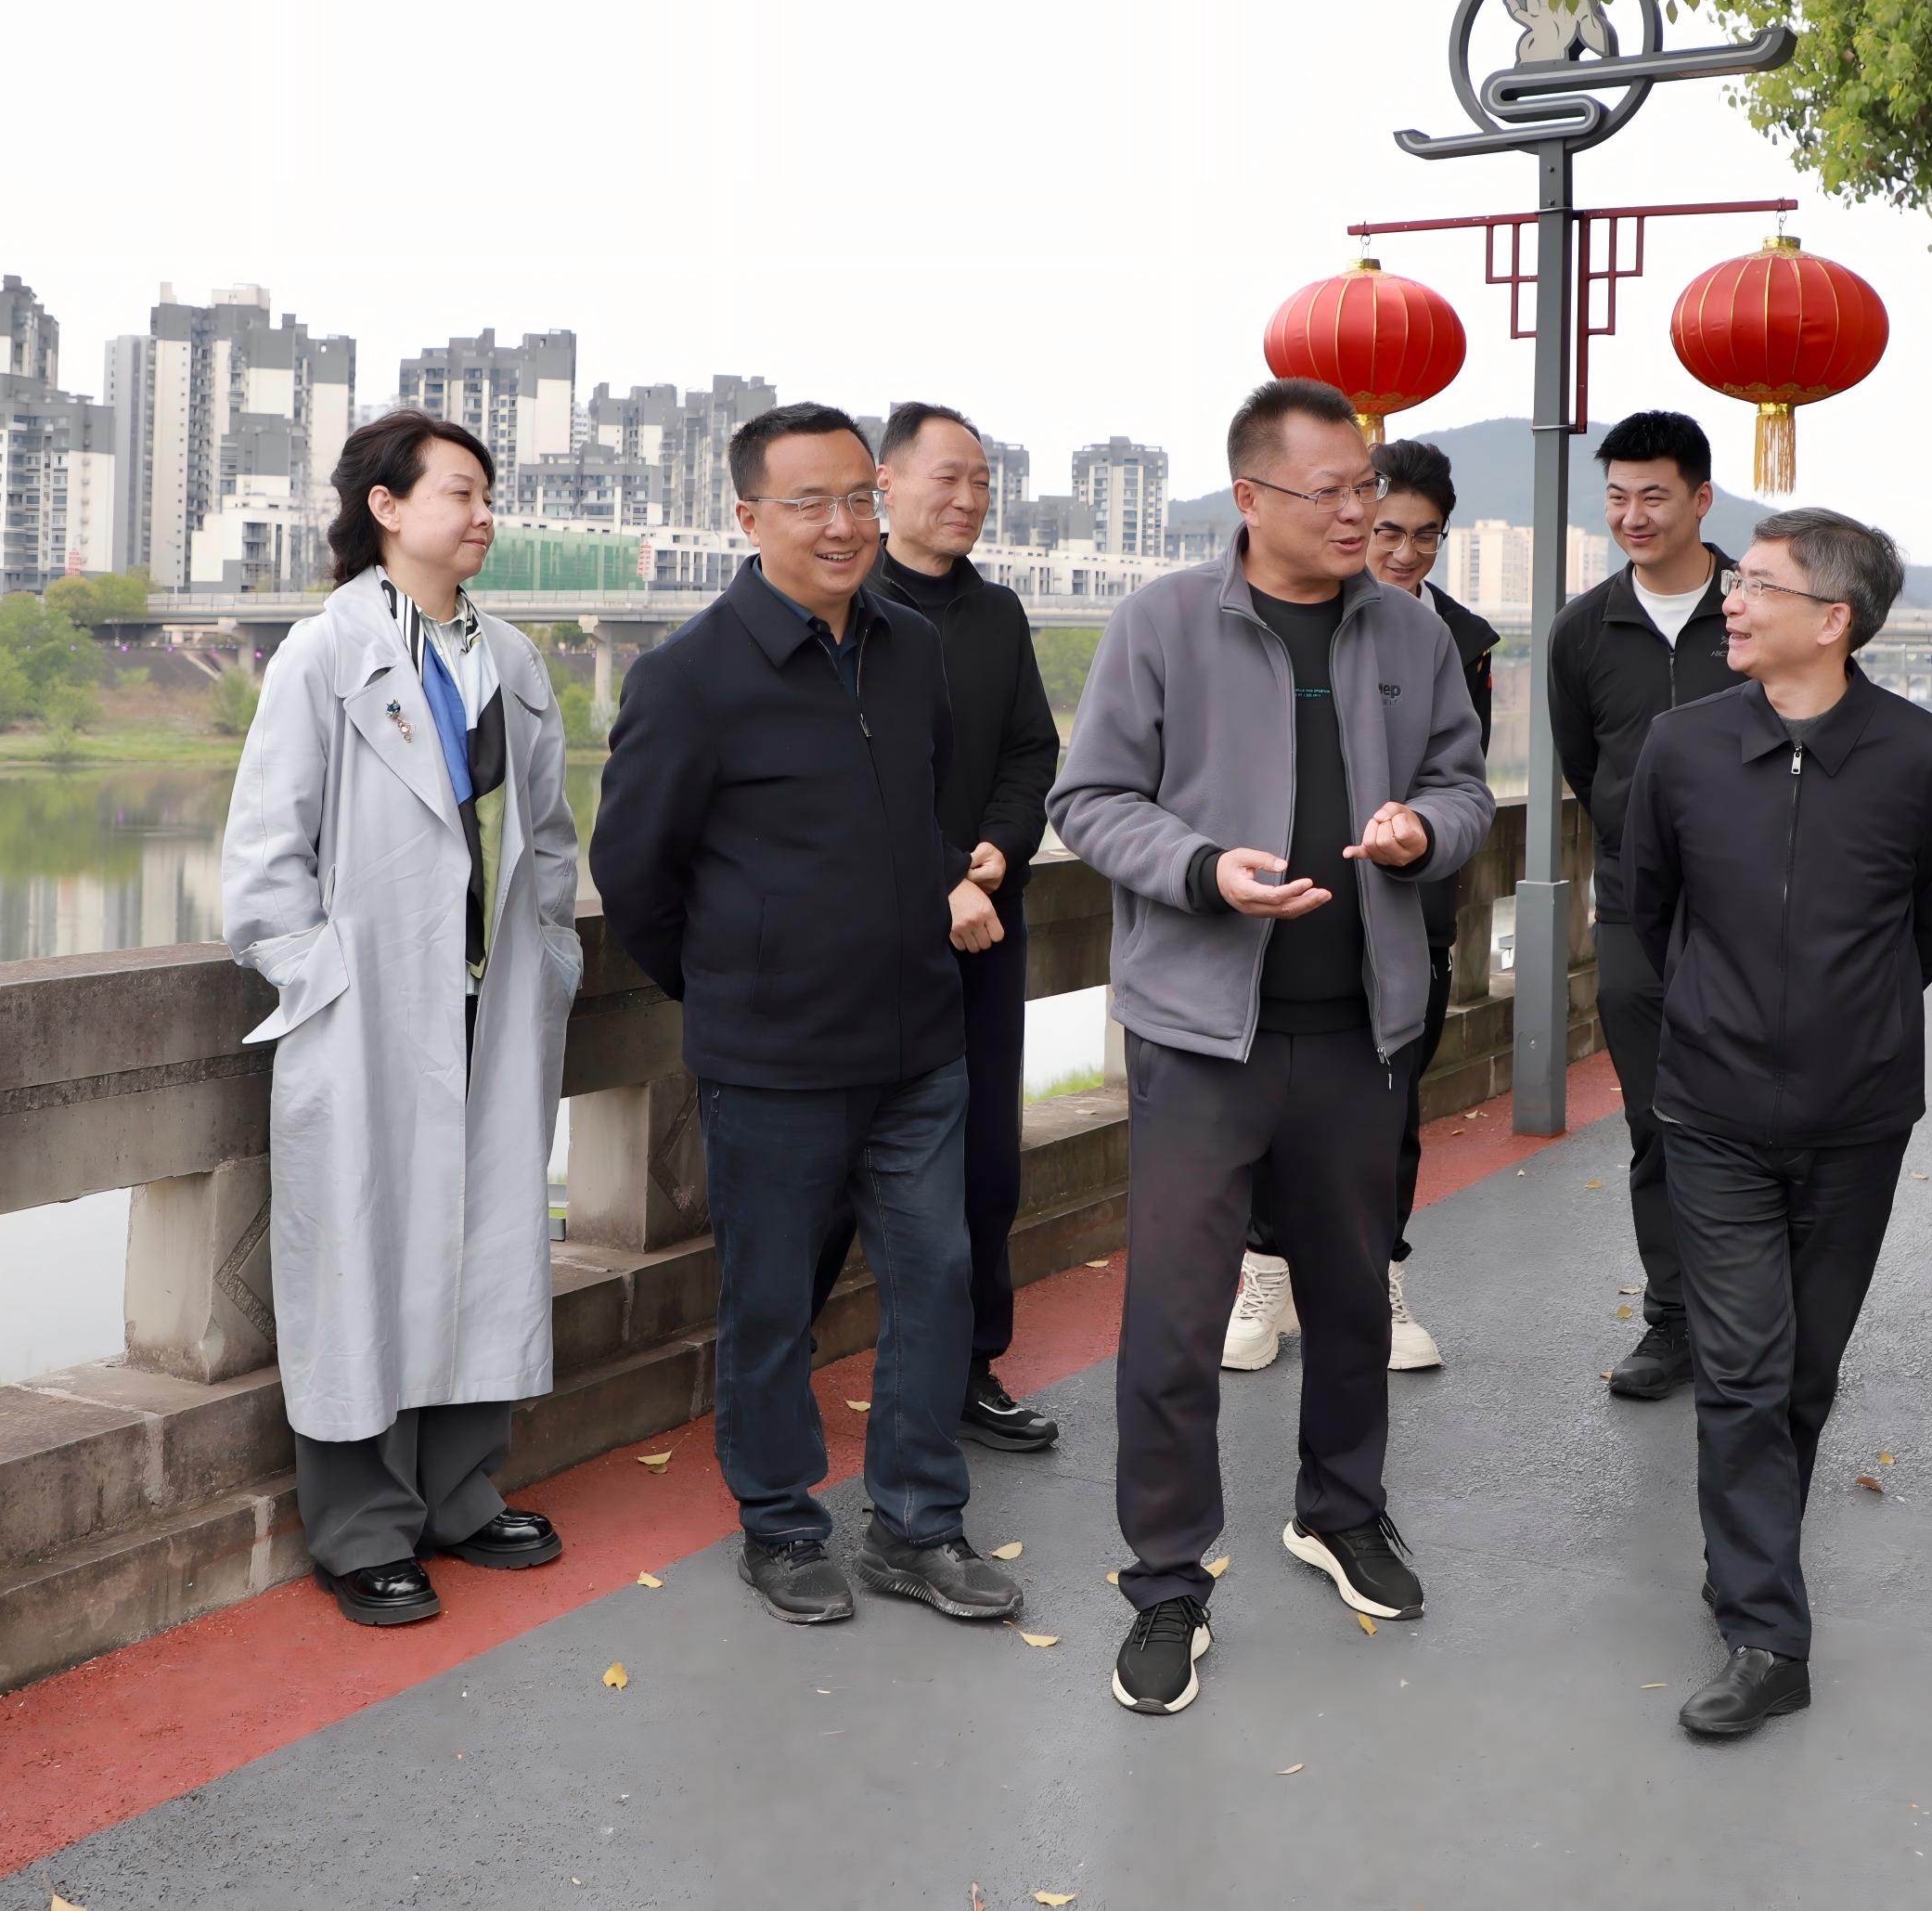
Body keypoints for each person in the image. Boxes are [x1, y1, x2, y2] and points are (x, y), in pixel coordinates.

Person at [1049, 378, 1492, 1718]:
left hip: (1360, 1027)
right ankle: (1165, 1581)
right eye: (1331, 492)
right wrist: (1200, 868)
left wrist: (1421, 831)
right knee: (1175, 1322)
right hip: (1203, 1037)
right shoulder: (1163, 622)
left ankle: (1340, 1509)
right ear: (1250, 498)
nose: (1360, 512)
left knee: (1352, 1299)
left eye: (1367, 488)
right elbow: (1089, 798)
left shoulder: (1408, 631)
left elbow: (1464, 789)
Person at [593, 404, 1024, 1632]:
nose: (842, 526)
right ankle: (781, 1524)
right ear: (747, 516)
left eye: (856, 499)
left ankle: (917, 1526)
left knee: (936, 1281)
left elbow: (925, 816)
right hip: (771, 1058)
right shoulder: (688, 676)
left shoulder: (907, 647)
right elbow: (636, 874)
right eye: (808, 503)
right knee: (773, 1303)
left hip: (919, 1044)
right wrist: (738, 980)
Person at [223, 410, 584, 1627]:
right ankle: (363, 1527)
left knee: (482, 1241)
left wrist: (551, 954)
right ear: (386, 507)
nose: (483, 516)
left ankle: (461, 1494)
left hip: (492, 998)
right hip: (369, 1006)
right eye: (459, 493)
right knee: (360, 1254)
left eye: (486, 495)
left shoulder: (510, 658)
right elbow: (264, 853)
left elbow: (547, 838)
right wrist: (317, 979)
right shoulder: (326, 651)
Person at [1623, 510, 1932, 1740]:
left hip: (1857, 1116)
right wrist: (1716, 1020)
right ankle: (1769, 1634)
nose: (1730, 597)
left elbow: (1927, 928)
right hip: (1711, 1110)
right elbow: (1646, 909)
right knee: (1741, 1369)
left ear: (1833, 619)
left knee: (1802, 1374)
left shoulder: (1923, 758)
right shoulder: (1680, 747)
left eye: (1757, 584)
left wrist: (1847, 1024)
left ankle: (1746, 1555)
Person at [806, 403, 1066, 1455]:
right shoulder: (844, 601)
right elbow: (850, 773)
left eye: (982, 483)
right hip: (869, 937)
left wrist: (998, 848)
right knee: (829, 1168)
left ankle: (966, 1367)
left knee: (984, 1163)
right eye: (946, 478)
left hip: (985, 928)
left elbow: (1031, 751)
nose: (967, 499)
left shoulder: (997, 614)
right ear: (887, 481)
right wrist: (941, 876)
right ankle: (775, 1375)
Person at [1228, 435, 1492, 1377]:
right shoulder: (1274, 615)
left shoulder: (1458, 639)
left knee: (1390, 1108)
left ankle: (1379, 1273)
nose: (1404, 552)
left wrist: (1420, 828)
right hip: (1277, 906)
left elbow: (1461, 778)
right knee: (1264, 1107)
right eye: (1389, 530)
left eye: (1426, 536)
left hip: (1406, 909)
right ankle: (1266, 1274)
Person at [1546, 407, 1745, 1401]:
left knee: (1761, 1119)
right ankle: (1672, 1319)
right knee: (1655, 1119)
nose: (1633, 514)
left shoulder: (1762, 607)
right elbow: (1589, 768)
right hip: (1634, 910)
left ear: (1700, 499)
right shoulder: (1583, 630)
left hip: (1756, 912)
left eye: (1653, 495)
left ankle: (1761, 1319)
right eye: (1617, 496)